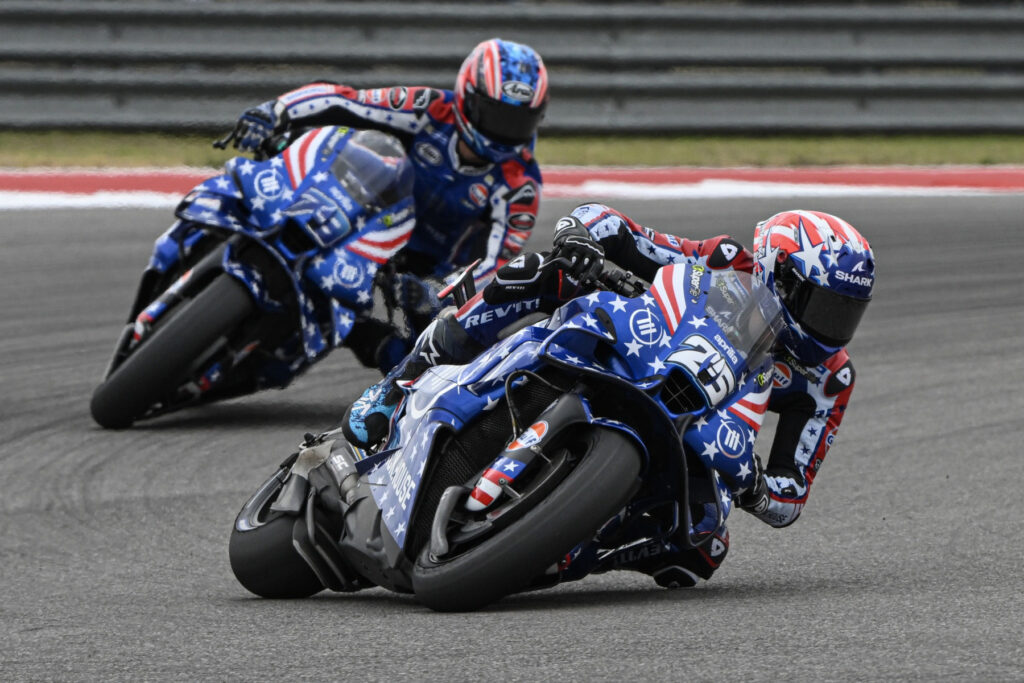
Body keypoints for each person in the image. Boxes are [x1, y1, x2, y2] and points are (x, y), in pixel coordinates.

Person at [344, 203, 876, 589]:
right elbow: (619, 229)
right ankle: (399, 385)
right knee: (544, 271)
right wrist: (581, 238)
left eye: (844, 314)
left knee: (702, 551)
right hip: (638, 349)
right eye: (822, 305)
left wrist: (755, 484)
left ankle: (550, 547)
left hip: (705, 432)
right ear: (778, 273)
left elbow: (790, 499)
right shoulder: (725, 261)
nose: (830, 328)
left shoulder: (829, 379)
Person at [221, 38, 548, 370]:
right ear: (468, 96)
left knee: (424, 357)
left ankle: (368, 352)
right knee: (293, 158)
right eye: (495, 115)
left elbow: (497, 265)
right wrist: (277, 110)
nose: (503, 131)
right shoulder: (430, 107)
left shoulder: (521, 184)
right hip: (369, 214)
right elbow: (346, 100)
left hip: (427, 273)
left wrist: (440, 293)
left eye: (517, 121)